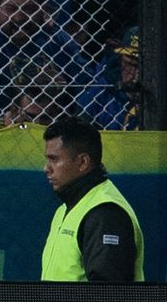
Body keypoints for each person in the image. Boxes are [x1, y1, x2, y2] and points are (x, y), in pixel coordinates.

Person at [40, 116, 143, 282]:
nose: (46, 168)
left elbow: (108, 296)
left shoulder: (105, 214)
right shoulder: (67, 208)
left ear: (83, 162)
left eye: (54, 159)